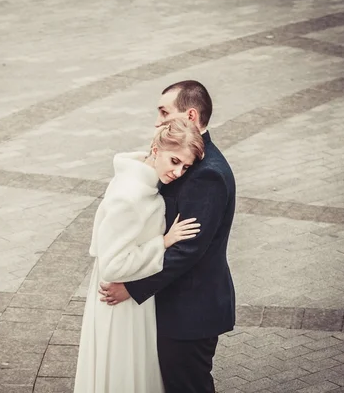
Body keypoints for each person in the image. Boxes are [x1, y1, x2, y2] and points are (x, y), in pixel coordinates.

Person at [100, 80, 237, 393]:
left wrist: (132, 288)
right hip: (177, 306)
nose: (158, 121)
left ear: (190, 115)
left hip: (191, 311)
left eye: (164, 112)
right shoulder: (187, 155)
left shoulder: (208, 174)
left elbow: (188, 250)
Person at [73, 118, 205, 393]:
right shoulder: (129, 196)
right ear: (156, 149)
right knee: (123, 374)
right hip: (119, 304)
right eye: (174, 160)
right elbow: (112, 265)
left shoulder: (139, 182)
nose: (178, 172)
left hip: (132, 300)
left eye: (185, 166)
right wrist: (163, 242)